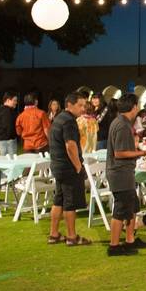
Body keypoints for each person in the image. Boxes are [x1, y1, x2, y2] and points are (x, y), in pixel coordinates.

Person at [105, 94, 146, 256]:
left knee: (132, 206)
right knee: (121, 209)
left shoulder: (123, 122)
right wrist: (141, 153)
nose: (138, 107)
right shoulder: (122, 125)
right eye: (137, 105)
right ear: (133, 106)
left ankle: (130, 240)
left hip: (124, 172)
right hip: (120, 172)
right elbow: (119, 153)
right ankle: (114, 246)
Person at [46, 92, 92, 246]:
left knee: (59, 200)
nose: (83, 109)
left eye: (84, 105)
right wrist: (78, 166)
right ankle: (72, 237)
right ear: (69, 105)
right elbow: (70, 145)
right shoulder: (69, 122)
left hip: (57, 166)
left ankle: (54, 234)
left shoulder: (58, 118)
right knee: (70, 202)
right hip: (68, 167)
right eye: (80, 105)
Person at [0, 92, 18, 156]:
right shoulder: (7, 112)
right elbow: (8, 127)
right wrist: (13, 136)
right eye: (14, 100)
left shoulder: (0, 110)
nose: (16, 102)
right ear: (8, 100)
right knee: (10, 162)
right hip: (8, 141)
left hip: (2, 139)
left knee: (5, 161)